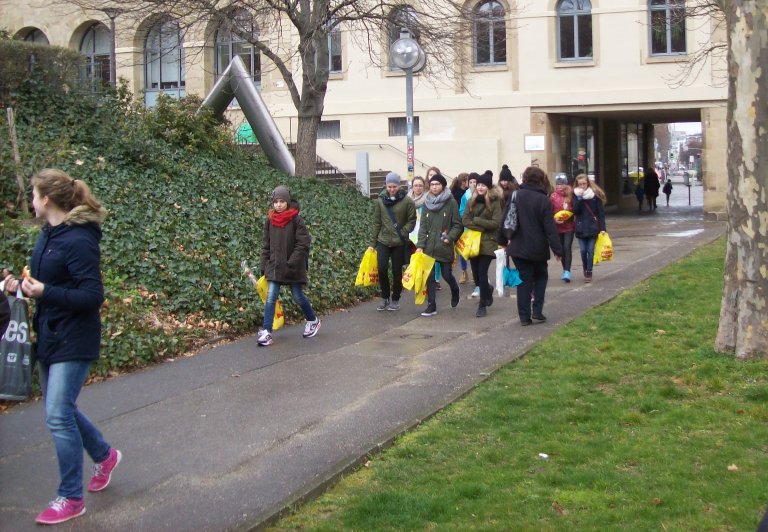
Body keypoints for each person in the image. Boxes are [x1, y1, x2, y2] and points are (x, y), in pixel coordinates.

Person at [2, 168, 120, 525]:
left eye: (34, 195)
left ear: (47, 199)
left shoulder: (79, 239)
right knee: (62, 409)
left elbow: (92, 295)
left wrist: (45, 291)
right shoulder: (48, 234)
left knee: (57, 414)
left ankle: (71, 497)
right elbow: (47, 283)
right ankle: (104, 455)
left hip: (75, 337)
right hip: (50, 334)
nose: (31, 201)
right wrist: (21, 287)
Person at [257, 185, 320, 347]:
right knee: (271, 297)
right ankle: (267, 331)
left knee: (298, 296)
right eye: (276, 202)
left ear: (287, 202)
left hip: (293, 267)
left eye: (282, 201)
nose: (278, 205)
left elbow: (303, 243)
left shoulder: (296, 220)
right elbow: (266, 245)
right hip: (275, 266)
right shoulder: (270, 220)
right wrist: (264, 265)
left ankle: (313, 320)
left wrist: (292, 262)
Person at [506, 167, 563, 326]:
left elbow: (506, 219)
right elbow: (549, 228)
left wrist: (503, 240)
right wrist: (557, 249)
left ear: (524, 179)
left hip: (518, 247)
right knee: (540, 277)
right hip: (538, 247)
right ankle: (537, 310)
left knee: (523, 280)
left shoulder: (515, 195)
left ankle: (524, 317)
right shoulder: (543, 200)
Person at [416, 173, 462, 316]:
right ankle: (432, 305)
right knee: (429, 277)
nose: (434, 187)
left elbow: (457, 225)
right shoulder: (426, 203)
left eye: (437, 184)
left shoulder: (451, 203)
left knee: (446, 275)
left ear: (443, 186)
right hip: (429, 246)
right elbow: (423, 227)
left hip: (444, 245)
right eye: (432, 184)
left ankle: (455, 289)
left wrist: (450, 237)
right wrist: (420, 245)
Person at [369, 172, 417, 311]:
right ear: (386, 185)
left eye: (394, 186)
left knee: (397, 272)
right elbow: (377, 222)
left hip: (399, 242)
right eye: (389, 186)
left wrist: (403, 232)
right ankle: (385, 297)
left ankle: (395, 299)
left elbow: (412, 220)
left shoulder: (407, 201)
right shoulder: (380, 200)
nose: (391, 189)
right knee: (382, 268)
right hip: (383, 240)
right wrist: (373, 243)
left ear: (399, 185)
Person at [461, 171, 502, 317]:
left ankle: (482, 305)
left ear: (488, 187)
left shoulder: (494, 202)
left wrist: (478, 221)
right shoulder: (471, 200)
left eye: (483, 185)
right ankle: (488, 289)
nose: (480, 187)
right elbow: (465, 220)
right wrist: (482, 227)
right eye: (478, 184)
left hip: (488, 242)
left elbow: (496, 223)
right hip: (473, 242)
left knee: (482, 272)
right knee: (476, 275)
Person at [573, 173, 607, 283]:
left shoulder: (594, 195)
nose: (582, 186)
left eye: (584, 183)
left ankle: (589, 271)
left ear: (588, 183)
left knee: (590, 250)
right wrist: (579, 198)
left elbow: (600, 213)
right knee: (583, 250)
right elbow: (575, 211)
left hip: (593, 227)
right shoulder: (575, 194)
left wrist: (602, 228)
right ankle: (585, 267)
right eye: (580, 184)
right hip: (581, 227)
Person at [549, 175, 575, 283]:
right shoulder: (553, 196)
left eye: (562, 184)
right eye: (558, 184)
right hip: (558, 227)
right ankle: (564, 269)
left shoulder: (571, 194)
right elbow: (549, 212)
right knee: (561, 249)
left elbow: (576, 209)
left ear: (566, 184)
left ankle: (567, 271)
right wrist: (554, 220)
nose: (560, 186)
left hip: (569, 227)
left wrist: (569, 210)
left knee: (567, 247)